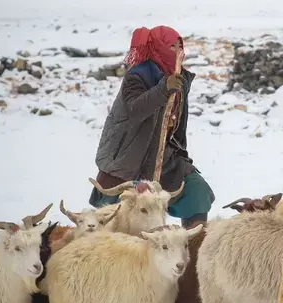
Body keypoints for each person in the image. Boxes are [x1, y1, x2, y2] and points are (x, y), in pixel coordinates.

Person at [89, 25, 214, 230]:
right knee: (115, 215)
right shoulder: (137, 76)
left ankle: (193, 246)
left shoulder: (179, 78)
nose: (177, 51)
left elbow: (177, 125)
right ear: (157, 47)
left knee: (197, 192)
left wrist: (182, 156)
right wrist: (163, 89)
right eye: (170, 45)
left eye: (179, 46)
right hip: (129, 158)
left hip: (164, 158)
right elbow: (135, 108)